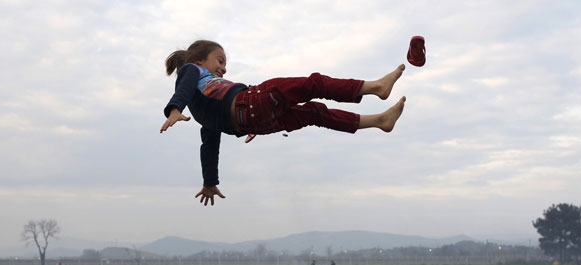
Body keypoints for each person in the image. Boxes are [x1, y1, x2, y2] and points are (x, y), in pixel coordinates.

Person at [161, 39, 407, 205]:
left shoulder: (205, 109)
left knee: (314, 113)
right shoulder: (192, 70)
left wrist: (209, 181)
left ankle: (379, 120)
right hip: (252, 101)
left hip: (254, 122)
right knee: (314, 84)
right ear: (199, 60)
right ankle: (375, 87)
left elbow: (209, 145)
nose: (224, 68)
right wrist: (174, 109)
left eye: (225, 63)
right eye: (220, 60)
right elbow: (182, 89)